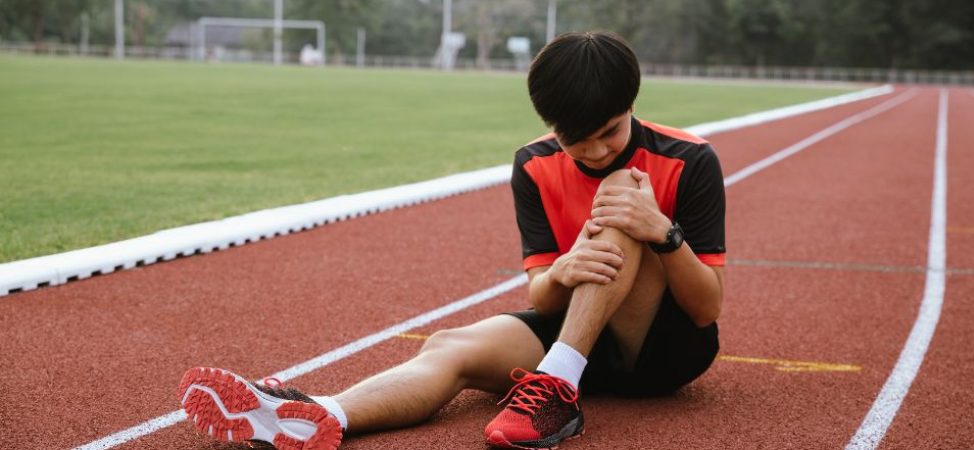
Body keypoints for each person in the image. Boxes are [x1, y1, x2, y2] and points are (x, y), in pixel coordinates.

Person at [178, 31, 725, 450]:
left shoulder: (689, 159)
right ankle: (318, 415)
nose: (598, 151)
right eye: (576, 140)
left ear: (633, 105)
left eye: (610, 131)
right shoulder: (534, 164)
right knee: (448, 346)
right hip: (577, 341)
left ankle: (556, 389)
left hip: (663, 350)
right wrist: (562, 269)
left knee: (624, 196)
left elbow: (706, 309)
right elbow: (543, 298)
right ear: (550, 126)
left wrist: (663, 232)